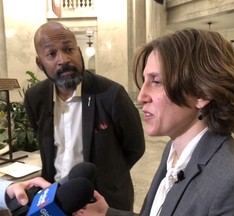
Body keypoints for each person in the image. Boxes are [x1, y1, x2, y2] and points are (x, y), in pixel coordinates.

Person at [74, 28, 234, 216]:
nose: (141, 96)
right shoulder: (174, 150)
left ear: (202, 93)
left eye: (156, 82)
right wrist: (107, 213)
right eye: (145, 81)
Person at [24, 21, 145, 211]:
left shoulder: (111, 94)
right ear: (40, 63)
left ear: (79, 52)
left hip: (105, 201)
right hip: (57, 199)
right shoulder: (35, 98)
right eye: (51, 54)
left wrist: (111, 178)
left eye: (69, 49)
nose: (63, 59)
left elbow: (135, 147)